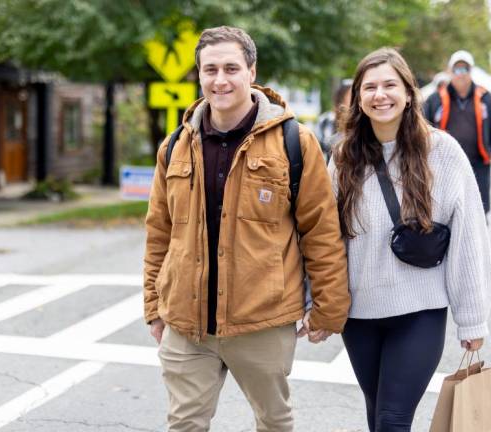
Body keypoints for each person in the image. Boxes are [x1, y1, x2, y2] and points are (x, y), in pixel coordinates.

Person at [144, 26, 350, 432]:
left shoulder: (295, 142)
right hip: (187, 324)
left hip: (262, 320)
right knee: (183, 425)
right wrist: (153, 304)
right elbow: (158, 232)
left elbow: (321, 231)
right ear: (199, 75)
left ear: (251, 73)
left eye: (231, 68)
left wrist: (329, 307)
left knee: (273, 422)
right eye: (210, 69)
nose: (220, 80)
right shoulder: (175, 146)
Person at [328, 48, 491, 432]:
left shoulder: (443, 153)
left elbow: (469, 240)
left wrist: (472, 319)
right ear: (358, 98)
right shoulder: (342, 158)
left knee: (392, 419)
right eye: (370, 87)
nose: (380, 95)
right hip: (359, 315)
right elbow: (326, 239)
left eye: (390, 85)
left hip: (419, 312)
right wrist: (315, 302)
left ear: (408, 93)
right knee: (377, 414)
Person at [423, 50, 491, 214]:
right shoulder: (435, 99)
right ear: (450, 72)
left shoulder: (487, 98)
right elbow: (422, 126)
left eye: (465, 69)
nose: (461, 74)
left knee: (478, 208)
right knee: (445, 209)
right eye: (457, 69)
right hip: (443, 164)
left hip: (478, 162)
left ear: (471, 71)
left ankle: (478, 239)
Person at [315, 79, 352, 158]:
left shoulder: (361, 119)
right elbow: (320, 146)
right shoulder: (326, 120)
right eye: (352, 95)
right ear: (341, 98)